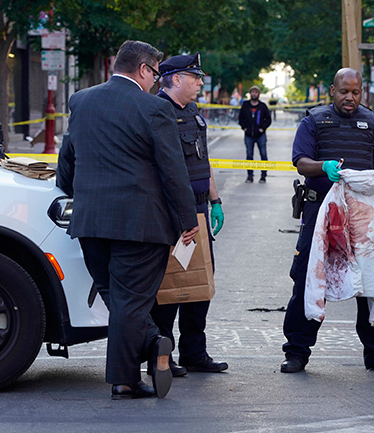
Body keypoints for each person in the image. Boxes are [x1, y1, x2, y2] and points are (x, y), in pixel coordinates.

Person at [56, 40, 199, 400]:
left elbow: (67, 160)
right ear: (144, 69)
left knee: (118, 298)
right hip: (141, 224)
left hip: (91, 222)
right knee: (132, 302)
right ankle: (126, 377)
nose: (156, 81)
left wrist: (79, 194)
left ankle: (150, 345)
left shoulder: (81, 100)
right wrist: (188, 218)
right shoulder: (154, 108)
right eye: (156, 73)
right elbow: (173, 170)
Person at [280, 68, 374, 374]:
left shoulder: (372, 123)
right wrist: (322, 167)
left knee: (372, 280)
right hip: (320, 212)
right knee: (309, 278)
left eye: (355, 92)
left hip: (362, 216)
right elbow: (301, 162)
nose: (350, 97)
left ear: (361, 92)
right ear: (332, 91)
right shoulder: (314, 121)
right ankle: (296, 352)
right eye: (344, 92)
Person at [149, 53, 229, 376]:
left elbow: (202, 161)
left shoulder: (194, 112)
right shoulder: (157, 111)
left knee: (200, 281)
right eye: (195, 77)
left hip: (198, 207)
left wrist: (215, 199)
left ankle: (194, 352)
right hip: (170, 210)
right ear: (177, 79)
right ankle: (162, 356)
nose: (199, 83)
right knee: (170, 284)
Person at [238, 85, 272, 183]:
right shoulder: (245, 105)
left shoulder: (262, 106)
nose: (254, 94)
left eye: (256, 92)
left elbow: (268, 119)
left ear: (258, 94)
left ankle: (263, 176)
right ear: (250, 93)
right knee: (249, 155)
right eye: (252, 92)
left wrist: (262, 128)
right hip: (249, 135)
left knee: (263, 155)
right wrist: (244, 128)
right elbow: (240, 118)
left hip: (260, 135)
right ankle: (250, 176)